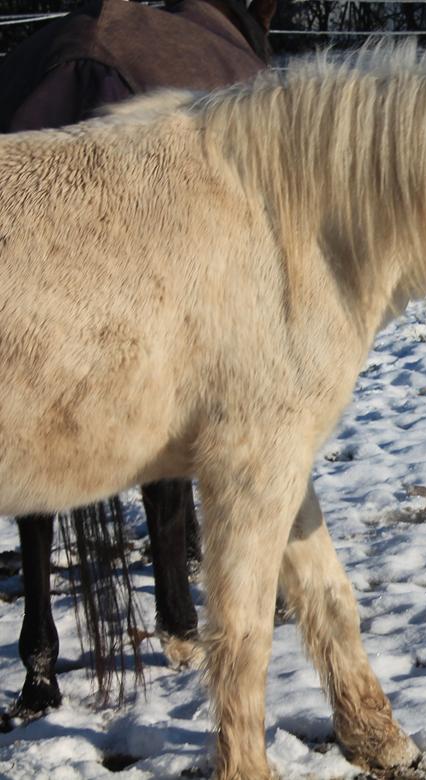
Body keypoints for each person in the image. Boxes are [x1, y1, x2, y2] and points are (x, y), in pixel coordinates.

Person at [0, 0, 274, 723]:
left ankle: (38, 645)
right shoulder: (215, 62)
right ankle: (180, 611)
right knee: (170, 391)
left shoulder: (46, 51)